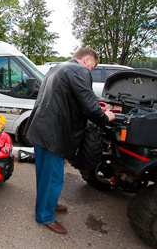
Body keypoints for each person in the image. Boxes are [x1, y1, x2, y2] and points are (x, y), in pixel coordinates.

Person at [24, 48, 115, 235]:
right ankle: (45, 216)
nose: (90, 70)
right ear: (86, 59)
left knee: (44, 173)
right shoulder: (79, 70)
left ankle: (49, 202)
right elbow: (90, 105)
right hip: (54, 134)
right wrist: (106, 117)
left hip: (41, 129)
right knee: (53, 177)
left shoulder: (56, 68)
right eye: (92, 66)